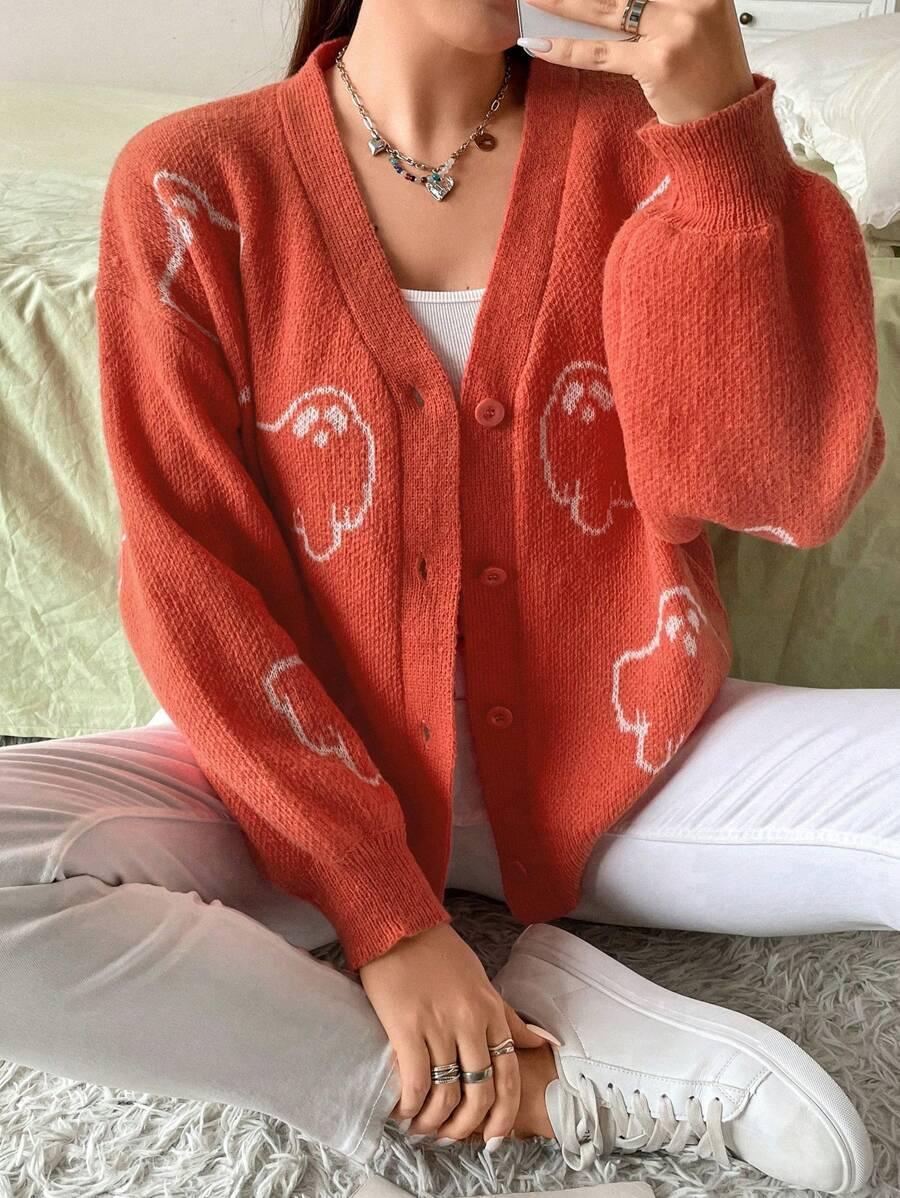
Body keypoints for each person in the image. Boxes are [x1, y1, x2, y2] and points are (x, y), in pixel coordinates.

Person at [0, 0, 893, 1194]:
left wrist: (719, 142)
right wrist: (390, 918)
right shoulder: (193, 180)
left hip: (629, 755)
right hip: (284, 783)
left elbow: (776, 494)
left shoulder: (651, 141)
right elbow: (189, 581)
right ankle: (531, 1079)